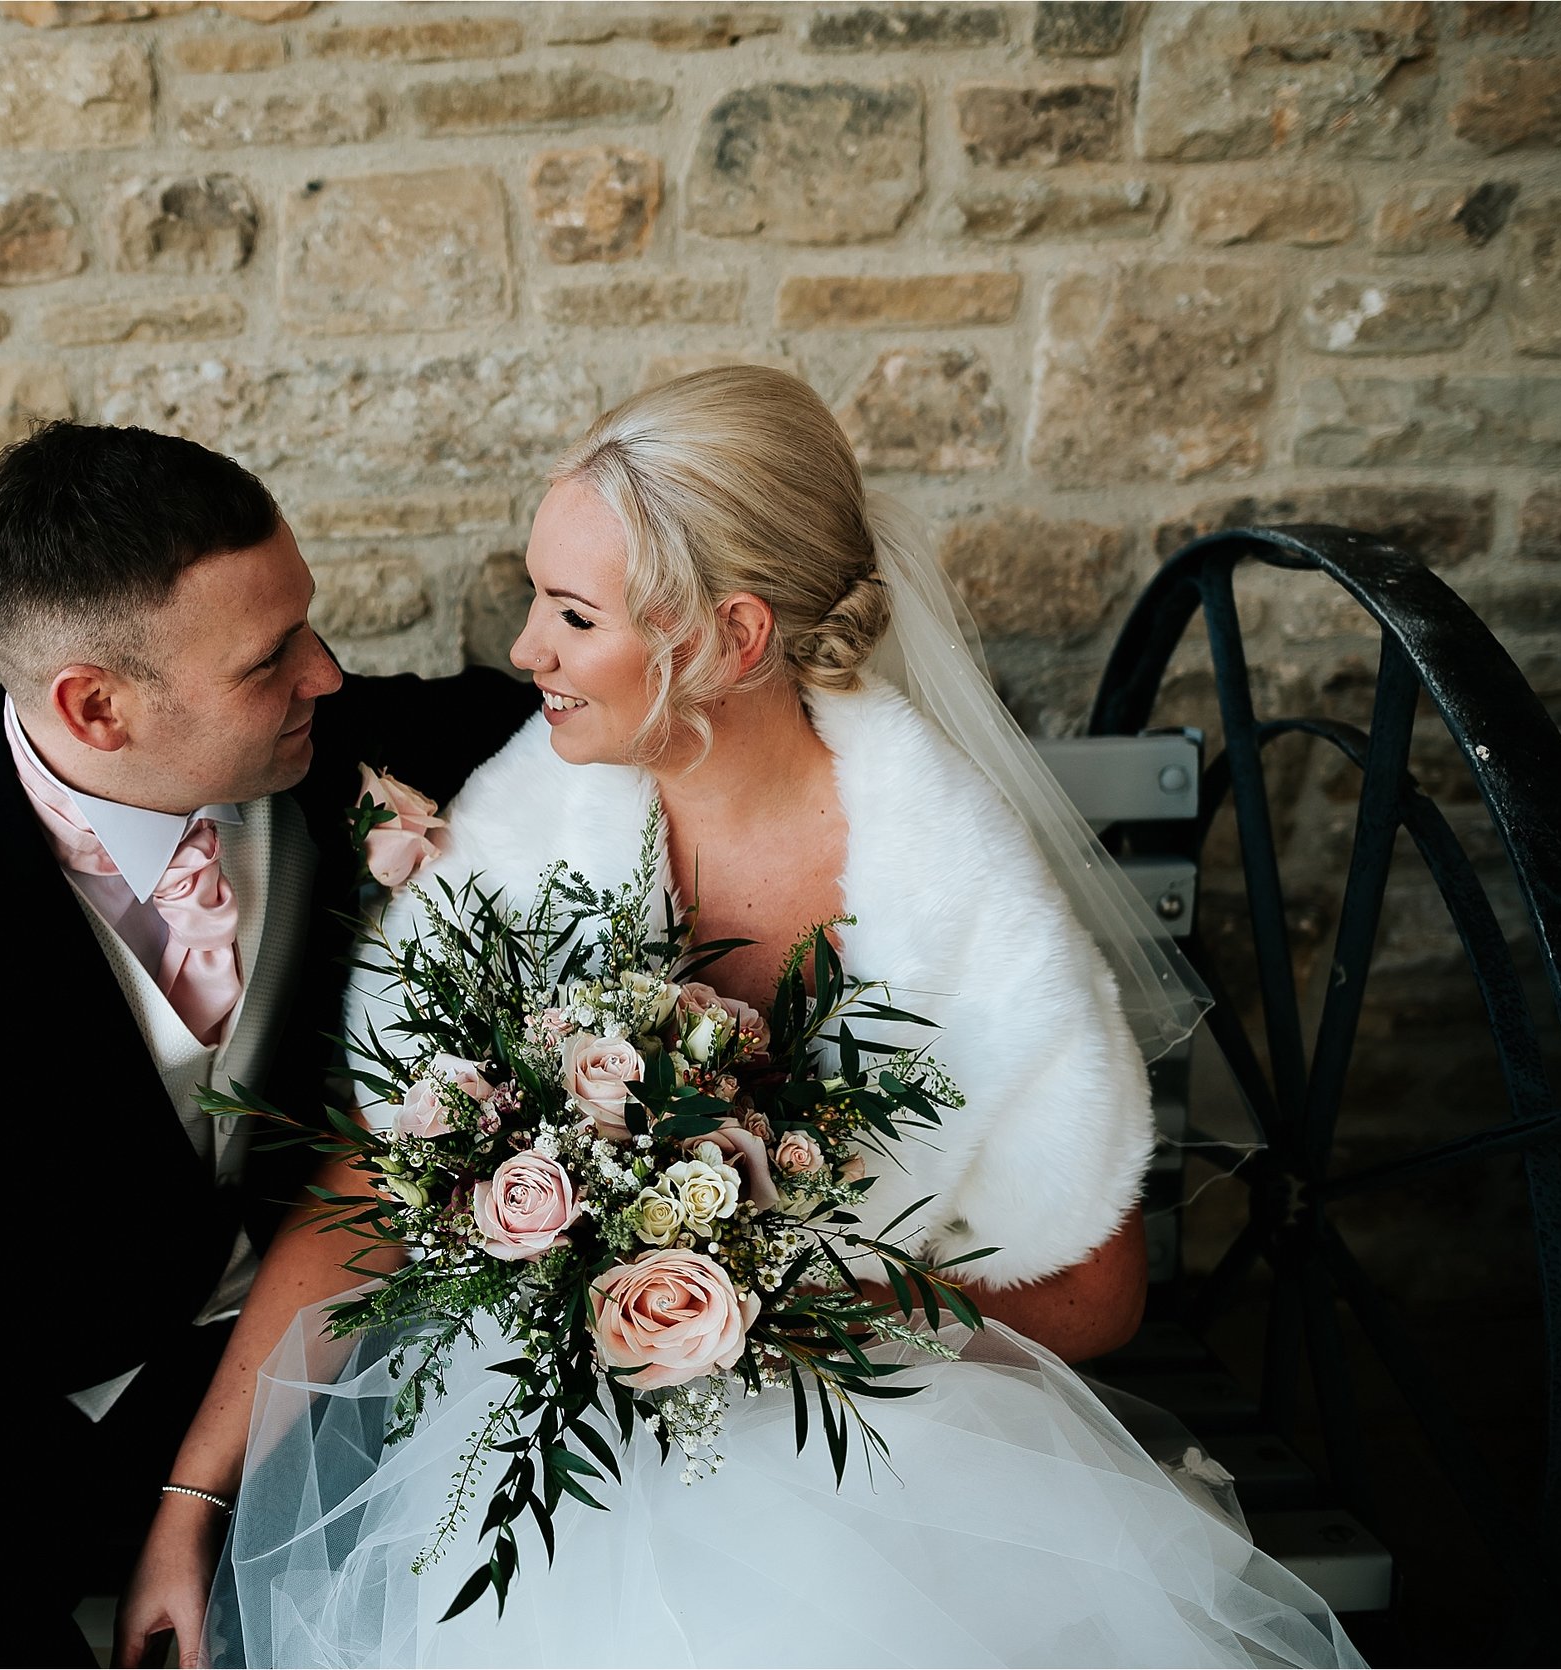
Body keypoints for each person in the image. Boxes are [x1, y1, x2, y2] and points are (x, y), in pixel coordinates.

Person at [120, 368, 1365, 1667]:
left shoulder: (952, 892)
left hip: (878, 1433)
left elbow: (1097, 1296)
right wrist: (190, 1501)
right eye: (536, 597)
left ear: (732, 637)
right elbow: (379, 1168)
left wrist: (765, 1305)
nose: (528, 650)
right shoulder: (527, 819)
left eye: (572, 611)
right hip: (539, 1443)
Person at [0, 421, 536, 1665]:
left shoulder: (348, 752)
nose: (327, 673)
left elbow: (574, 710)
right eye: (269, 660)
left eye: (305, 623)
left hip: (344, 1338)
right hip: (34, 1421)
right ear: (95, 703)